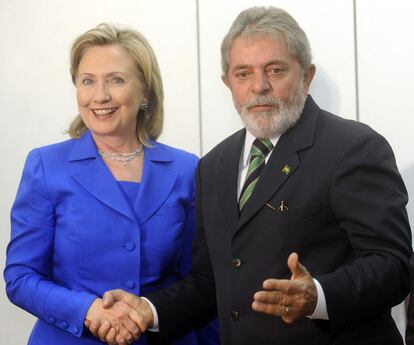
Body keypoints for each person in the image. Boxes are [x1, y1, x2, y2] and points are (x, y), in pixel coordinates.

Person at [100, 6, 413, 345]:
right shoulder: (213, 166)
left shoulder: (353, 147)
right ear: (227, 83)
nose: (259, 86)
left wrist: (319, 296)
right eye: (243, 74)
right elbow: (210, 281)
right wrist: (149, 310)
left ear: (306, 76)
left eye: (275, 70)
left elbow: (394, 265)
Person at [4, 23, 219, 345]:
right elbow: (20, 278)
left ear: (144, 92)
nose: (99, 96)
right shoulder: (46, 166)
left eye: (116, 80)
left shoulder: (187, 169)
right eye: (87, 81)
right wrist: (88, 309)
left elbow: (200, 281)